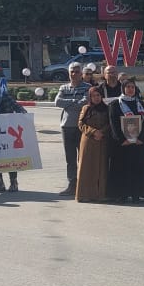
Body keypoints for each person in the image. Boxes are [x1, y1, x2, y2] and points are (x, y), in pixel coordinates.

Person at [107, 76, 144, 202]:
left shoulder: (140, 103)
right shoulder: (115, 104)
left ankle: (136, 194)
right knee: (122, 168)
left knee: (137, 168)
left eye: (132, 87)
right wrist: (121, 139)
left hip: (138, 143)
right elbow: (113, 123)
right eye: (128, 87)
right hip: (122, 144)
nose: (130, 89)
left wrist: (140, 138)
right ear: (123, 88)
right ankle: (122, 194)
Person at [55, 64, 92, 197]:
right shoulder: (63, 87)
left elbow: (85, 102)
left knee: (83, 157)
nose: (74, 74)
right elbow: (57, 102)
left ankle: (84, 184)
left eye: (77, 72)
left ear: (81, 73)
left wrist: (69, 103)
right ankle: (72, 184)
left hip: (82, 126)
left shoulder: (87, 87)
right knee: (70, 159)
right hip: (67, 126)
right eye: (72, 71)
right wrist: (75, 101)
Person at [75, 85, 110, 202]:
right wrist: (93, 132)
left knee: (101, 168)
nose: (96, 98)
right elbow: (80, 124)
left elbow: (110, 123)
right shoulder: (86, 108)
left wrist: (102, 132)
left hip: (102, 141)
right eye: (93, 96)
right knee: (86, 168)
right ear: (90, 97)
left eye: (98, 95)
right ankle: (84, 195)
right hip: (88, 141)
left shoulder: (107, 109)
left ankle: (100, 195)